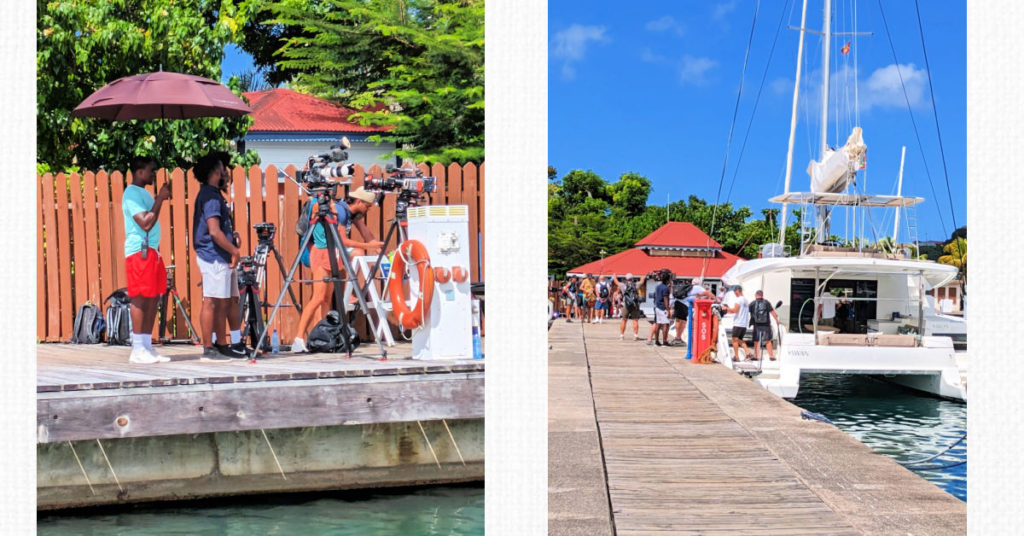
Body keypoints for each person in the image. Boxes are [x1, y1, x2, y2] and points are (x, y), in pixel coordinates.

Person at [291, 186, 384, 352]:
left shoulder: (345, 212)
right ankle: (298, 339)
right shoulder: (336, 211)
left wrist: (375, 247)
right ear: (359, 201)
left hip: (332, 254)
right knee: (318, 298)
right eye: (367, 206)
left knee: (326, 299)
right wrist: (368, 245)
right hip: (321, 253)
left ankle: (322, 335)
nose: (367, 210)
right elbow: (343, 241)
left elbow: (356, 235)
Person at [192, 153, 246, 361]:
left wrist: (232, 237)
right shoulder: (211, 197)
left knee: (224, 301)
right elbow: (213, 231)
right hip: (213, 256)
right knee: (212, 301)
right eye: (223, 167)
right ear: (215, 170)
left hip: (220, 255)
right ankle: (209, 347)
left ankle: (222, 344)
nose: (226, 171)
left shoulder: (213, 194)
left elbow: (218, 228)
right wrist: (234, 251)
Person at [120, 156, 172, 364]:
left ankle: (147, 347)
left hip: (151, 252)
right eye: (151, 170)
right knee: (140, 297)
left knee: (153, 298)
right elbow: (145, 223)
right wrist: (159, 199)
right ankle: (137, 349)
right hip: (138, 252)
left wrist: (158, 198)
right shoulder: (131, 193)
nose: (153, 174)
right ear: (139, 172)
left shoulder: (144, 193)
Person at [748, 290, 780, 361]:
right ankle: (771, 356)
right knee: (768, 340)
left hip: (757, 325)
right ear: (762, 295)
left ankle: (756, 356)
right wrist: (777, 320)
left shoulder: (752, 303)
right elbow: (772, 312)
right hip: (766, 324)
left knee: (756, 340)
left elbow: (747, 312)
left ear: (756, 295)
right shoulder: (766, 302)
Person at [614, 273, 646, 340]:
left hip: (626, 304)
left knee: (624, 320)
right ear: (632, 278)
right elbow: (642, 280)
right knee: (635, 320)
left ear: (626, 279)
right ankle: (636, 336)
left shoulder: (622, 285)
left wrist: (614, 275)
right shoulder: (637, 285)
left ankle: (621, 336)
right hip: (635, 305)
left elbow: (616, 281)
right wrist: (642, 275)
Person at [724, 286, 751, 361]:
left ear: (738, 291)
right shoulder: (745, 299)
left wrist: (726, 309)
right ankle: (748, 354)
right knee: (739, 340)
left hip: (738, 323)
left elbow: (735, 310)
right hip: (744, 324)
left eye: (735, 291)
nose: (734, 293)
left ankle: (736, 356)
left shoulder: (738, 300)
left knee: (734, 340)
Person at [647, 270, 672, 346]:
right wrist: (668, 310)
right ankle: (665, 341)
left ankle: (657, 341)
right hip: (663, 308)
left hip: (657, 307)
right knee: (666, 324)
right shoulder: (665, 288)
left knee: (658, 324)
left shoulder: (658, 286)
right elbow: (666, 299)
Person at [669, 278, 690, 346]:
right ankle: (679, 337)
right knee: (683, 321)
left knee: (677, 320)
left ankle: (677, 337)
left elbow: (671, 297)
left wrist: (670, 307)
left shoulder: (674, 288)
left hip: (678, 303)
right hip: (686, 305)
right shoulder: (691, 288)